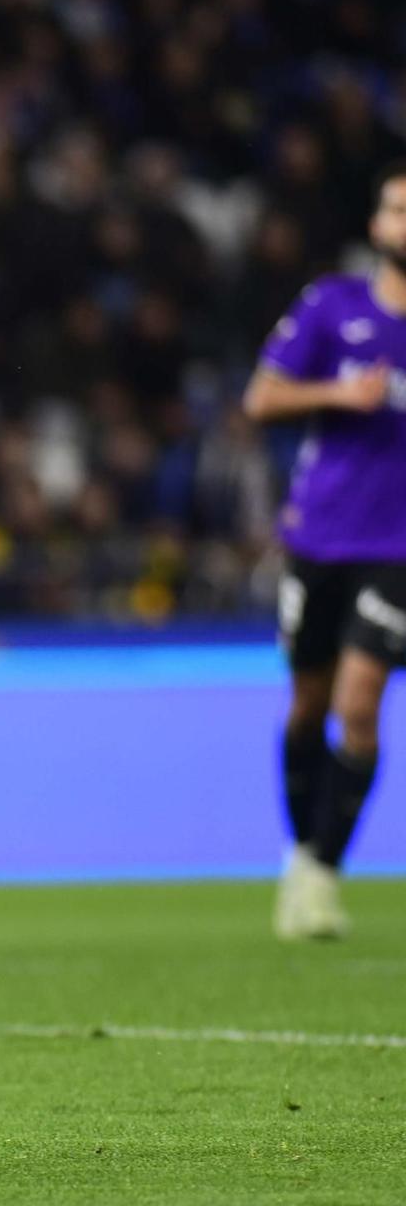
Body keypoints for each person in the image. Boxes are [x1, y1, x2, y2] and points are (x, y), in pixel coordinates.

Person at [243, 161, 406, 941]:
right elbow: (261, 397)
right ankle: (304, 853)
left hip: (398, 550)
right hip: (319, 536)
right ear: (377, 224)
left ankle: (322, 872)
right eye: (396, 208)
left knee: (358, 704)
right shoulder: (331, 306)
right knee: (308, 705)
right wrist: (341, 395)